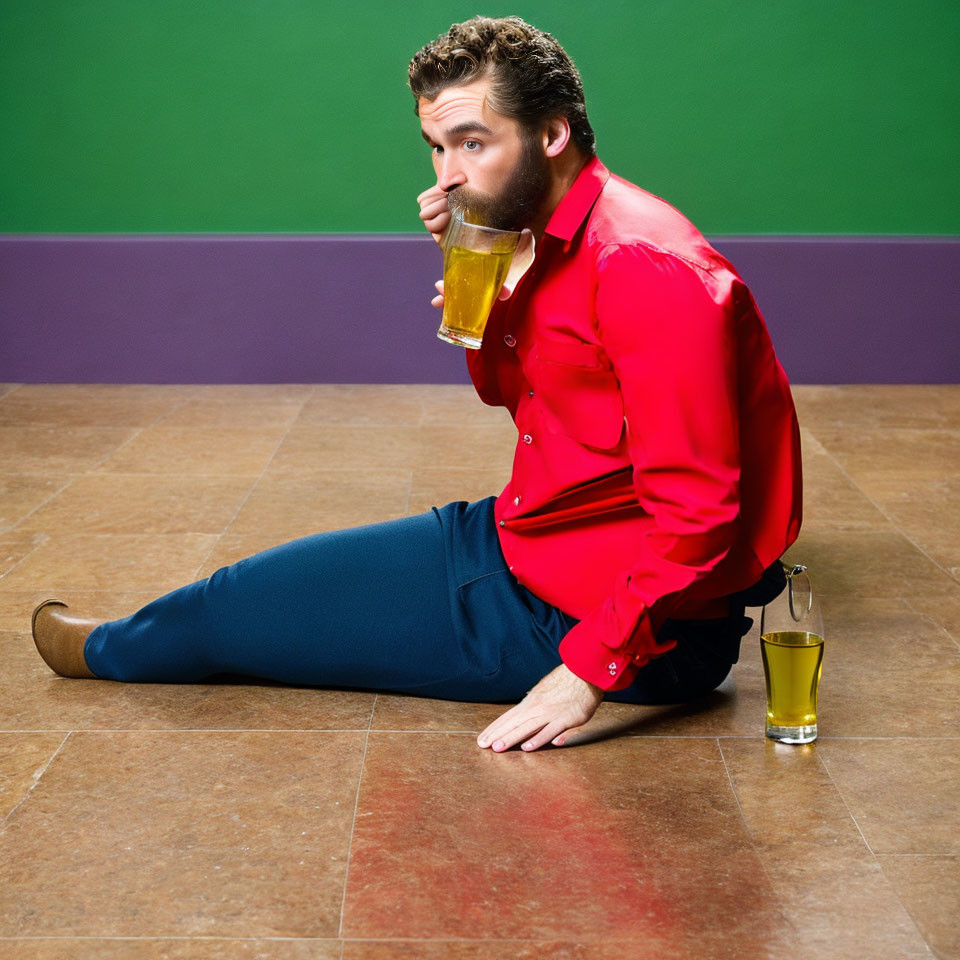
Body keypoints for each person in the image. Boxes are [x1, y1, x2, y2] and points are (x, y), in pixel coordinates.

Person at [31, 15, 801, 754]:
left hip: (602, 621)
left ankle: (106, 650)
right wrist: (489, 280)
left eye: (472, 142)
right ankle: (125, 638)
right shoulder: (535, 233)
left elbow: (700, 512)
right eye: (436, 147)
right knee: (248, 592)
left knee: (248, 616)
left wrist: (584, 671)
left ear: (553, 132)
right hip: (528, 539)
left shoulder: (639, 267)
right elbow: (511, 394)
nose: (449, 176)